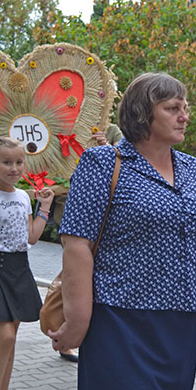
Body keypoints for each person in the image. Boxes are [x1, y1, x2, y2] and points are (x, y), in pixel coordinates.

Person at [49, 72, 196, 390]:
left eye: (185, 107)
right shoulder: (103, 163)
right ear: (141, 114)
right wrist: (78, 321)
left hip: (182, 324)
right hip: (121, 322)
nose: (185, 116)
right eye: (172, 108)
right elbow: (76, 244)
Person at [0, 137, 54, 390]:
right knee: (5, 336)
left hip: (19, 268)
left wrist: (44, 206)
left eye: (18, 162)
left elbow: (30, 237)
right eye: (7, 162)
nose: (14, 168)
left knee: (11, 340)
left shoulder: (22, 197)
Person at [53, 125, 123, 364]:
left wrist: (106, 146)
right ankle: (67, 329)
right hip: (75, 216)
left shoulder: (112, 130)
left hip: (107, 222)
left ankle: (78, 330)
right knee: (75, 276)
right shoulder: (63, 128)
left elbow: (129, 162)